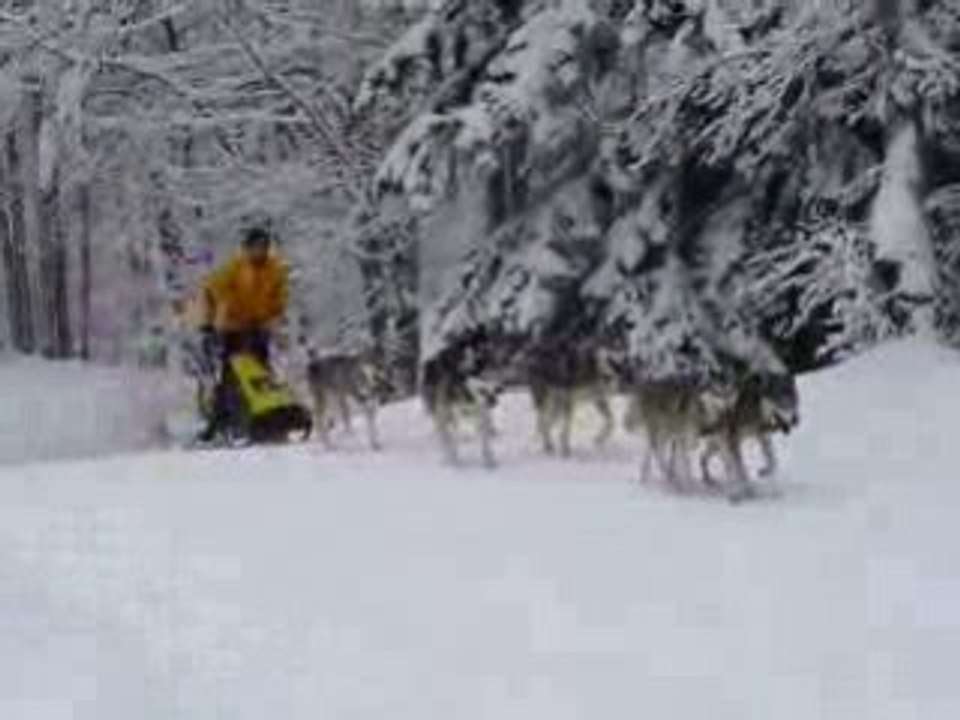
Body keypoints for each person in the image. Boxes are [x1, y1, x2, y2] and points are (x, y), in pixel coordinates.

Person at [196, 226, 289, 441]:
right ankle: (220, 419)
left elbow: (280, 300)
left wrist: (276, 320)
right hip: (234, 327)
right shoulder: (235, 267)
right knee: (232, 374)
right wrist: (208, 322)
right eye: (255, 247)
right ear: (247, 248)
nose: (259, 251)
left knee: (262, 372)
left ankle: (267, 413)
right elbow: (210, 289)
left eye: (263, 246)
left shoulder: (275, 270)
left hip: (259, 328)